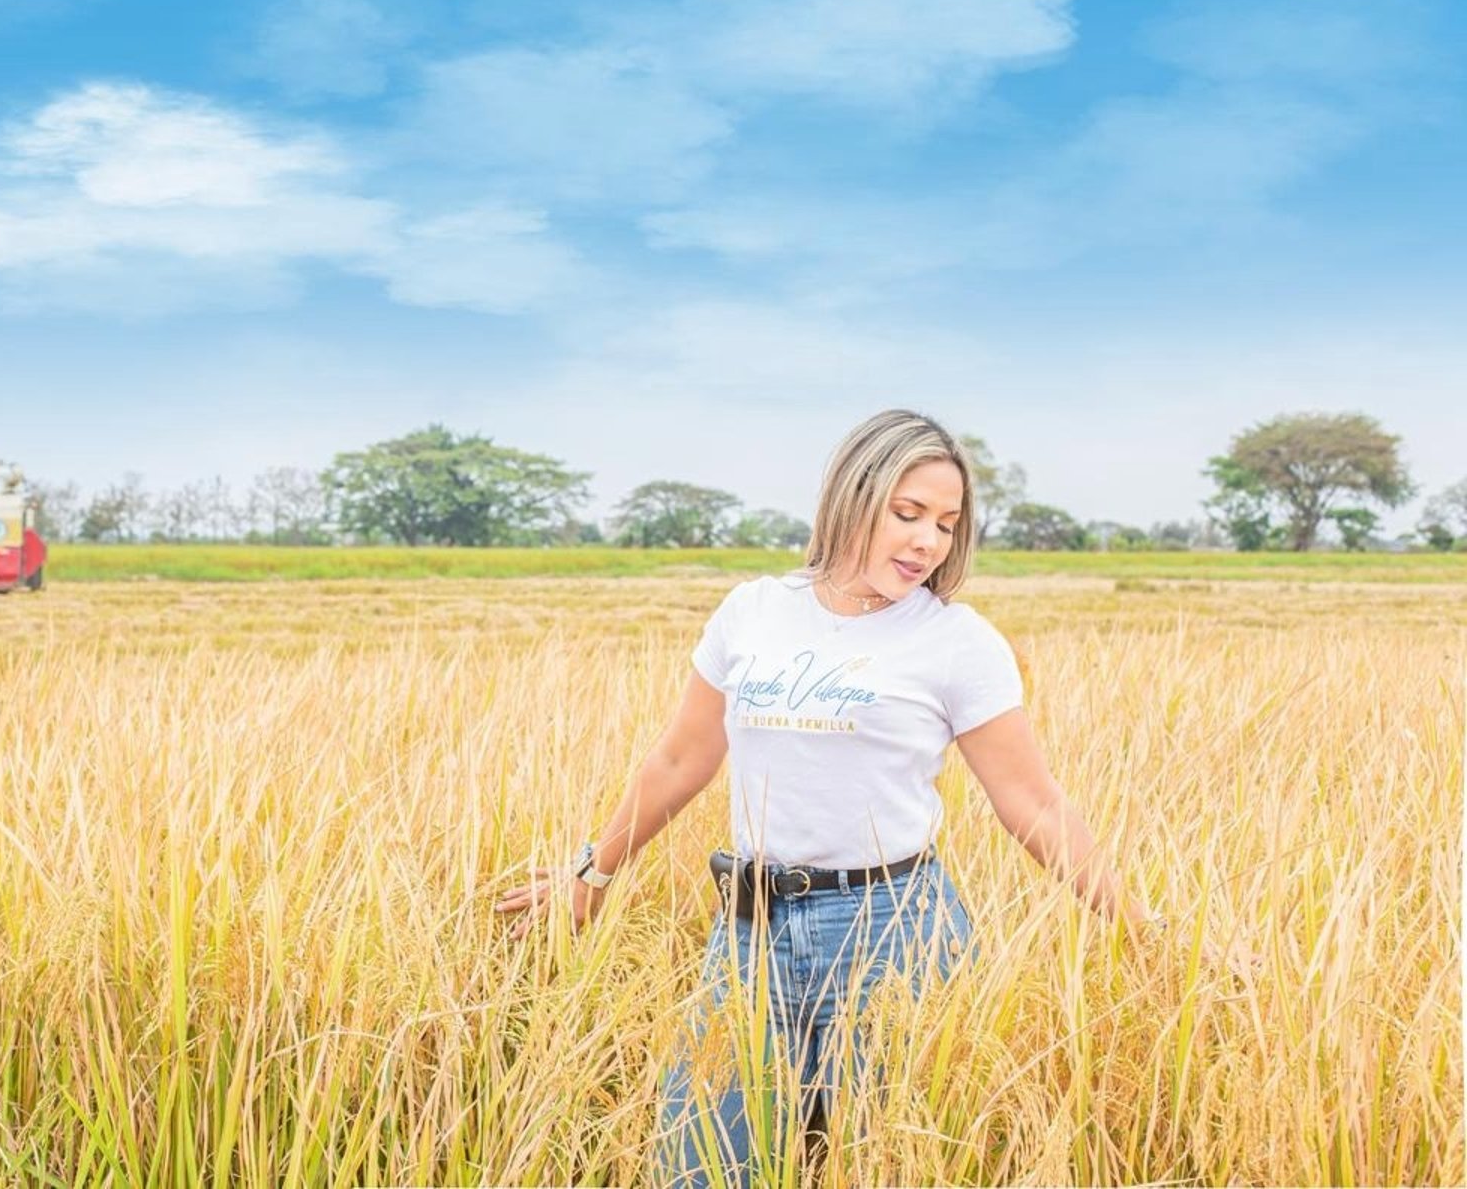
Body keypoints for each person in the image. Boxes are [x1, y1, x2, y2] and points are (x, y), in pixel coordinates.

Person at [493, 407, 1262, 1188]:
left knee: (887, 1163)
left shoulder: (958, 644)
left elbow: (1033, 804)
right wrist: (591, 872)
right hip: (748, 931)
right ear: (851, 497)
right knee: (698, 1165)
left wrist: (1150, 930)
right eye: (908, 513)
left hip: (893, 935)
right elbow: (680, 758)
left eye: (947, 523)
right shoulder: (754, 612)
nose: (929, 541)